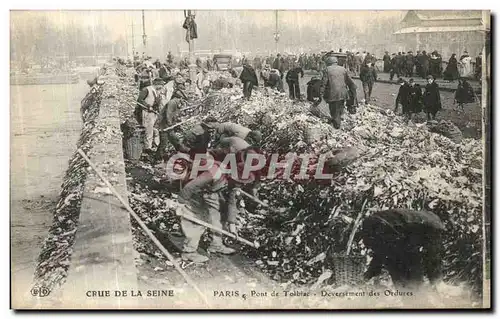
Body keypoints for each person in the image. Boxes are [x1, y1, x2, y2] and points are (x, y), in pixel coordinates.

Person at [176, 162, 256, 263]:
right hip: (193, 190)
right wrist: (180, 204)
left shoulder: (235, 182)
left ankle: (216, 244)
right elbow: (190, 187)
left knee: (219, 213)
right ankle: (188, 252)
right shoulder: (215, 171)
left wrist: (232, 224)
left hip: (211, 191)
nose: (239, 183)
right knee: (197, 219)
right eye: (238, 180)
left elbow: (232, 201)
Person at [361, 209, 445, 289]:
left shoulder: (420, 220)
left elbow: (380, 251)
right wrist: (435, 282)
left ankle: (409, 294)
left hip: (375, 225)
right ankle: (415, 294)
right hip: (388, 229)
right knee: (411, 268)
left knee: (396, 263)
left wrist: (369, 273)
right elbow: (433, 258)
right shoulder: (433, 227)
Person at [320, 56, 357, 129]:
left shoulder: (327, 69)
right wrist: (353, 89)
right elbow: (349, 81)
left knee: (334, 110)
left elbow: (324, 83)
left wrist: (321, 94)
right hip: (343, 93)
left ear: (329, 63)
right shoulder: (343, 69)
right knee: (340, 107)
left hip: (333, 94)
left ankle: (337, 126)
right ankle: (338, 121)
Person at [155, 85, 188, 162]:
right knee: (164, 142)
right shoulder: (172, 102)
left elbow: (175, 114)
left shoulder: (177, 103)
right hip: (164, 125)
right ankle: (157, 158)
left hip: (170, 125)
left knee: (175, 139)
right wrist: (170, 124)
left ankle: (180, 154)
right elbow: (168, 114)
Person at [135, 78, 165, 154]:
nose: (162, 86)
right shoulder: (146, 90)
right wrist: (147, 106)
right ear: (156, 84)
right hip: (147, 112)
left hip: (154, 112)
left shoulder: (157, 91)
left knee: (155, 130)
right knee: (149, 130)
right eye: (161, 85)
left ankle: (155, 145)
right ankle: (147, 148)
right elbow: (139, 100)